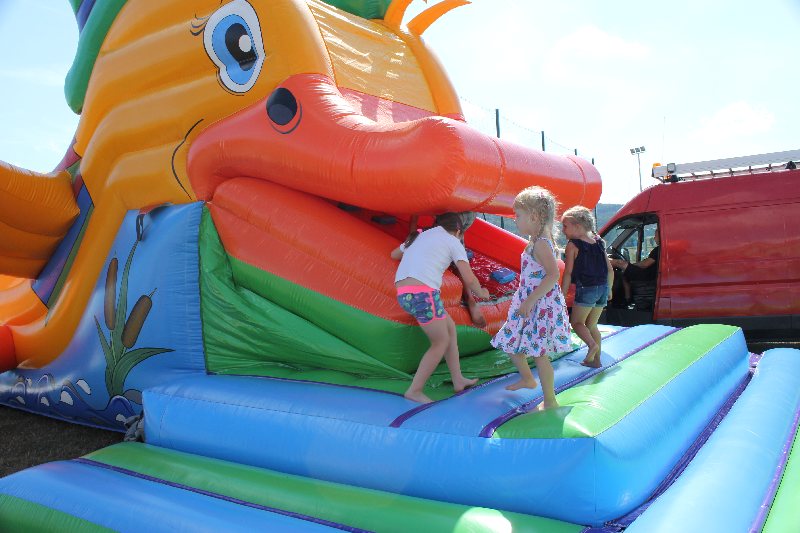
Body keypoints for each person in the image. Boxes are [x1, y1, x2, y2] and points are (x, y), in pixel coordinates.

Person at [392, 212, 490, 404]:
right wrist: (482, 292)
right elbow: (469, 278)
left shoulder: (421, 235)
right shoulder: (453, 241)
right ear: (458, 231)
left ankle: (458, 380)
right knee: (440, 342)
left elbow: (394, 254)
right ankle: (414, 390)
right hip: (423, 296)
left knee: (449, 327)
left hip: (405, 294)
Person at [490, 186, 571, 409]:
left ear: (534, 217)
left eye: (518, 215)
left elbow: (553, 275)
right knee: (509, 342)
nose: (515, 220)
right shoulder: (536, 241)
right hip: (530, 301)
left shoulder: (542, 244)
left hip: (538, 304)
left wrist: (530, 300)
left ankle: (550, 400)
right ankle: (527, 379)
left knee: (539, 354)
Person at [560, 206, 613, 368]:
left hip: (587, 289)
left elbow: (568, 273)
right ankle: (596, 361)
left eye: (565, 226)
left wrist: (562, 294)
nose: (562, 230)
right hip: (602, 288)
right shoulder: (599, 242)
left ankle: (591, 345)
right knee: (592, 325)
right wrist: (610, 289)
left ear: (577, 226)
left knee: (576, 323)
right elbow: (610, 269)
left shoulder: (573, 245)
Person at [609, 230, 660, 305]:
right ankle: (628, 298)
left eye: (656, 236)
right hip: (650, 273)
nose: (654, 238)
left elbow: (645, 264)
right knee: (624, 274)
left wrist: (631, 265)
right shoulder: (658, 249)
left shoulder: (658, 249)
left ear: (660, 237)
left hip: (648, 275)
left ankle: (626, 299)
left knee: (619, 263)